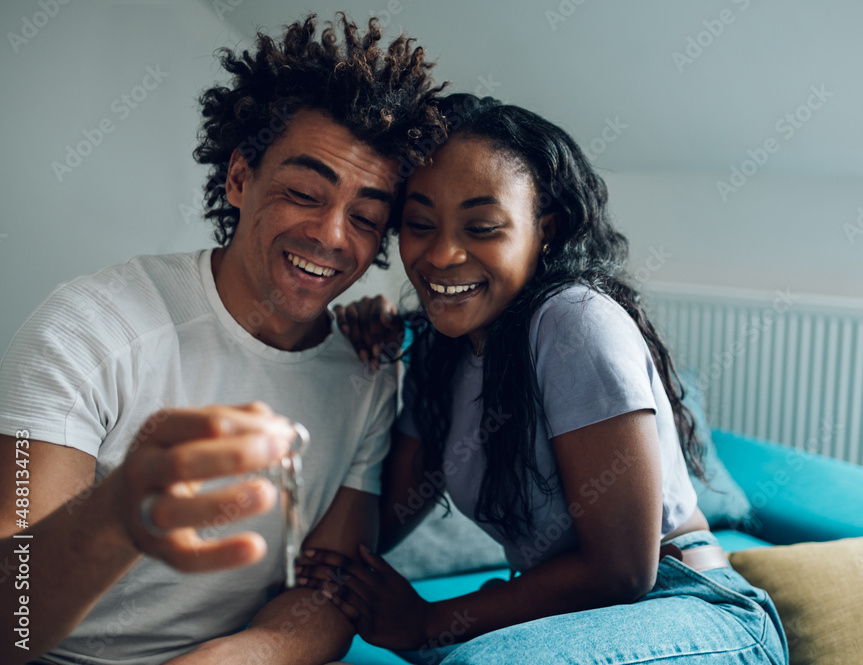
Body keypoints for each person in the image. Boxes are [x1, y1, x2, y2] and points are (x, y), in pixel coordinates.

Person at [0, 14, 446, 665]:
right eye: (303, 192)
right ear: (239, 178)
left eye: (367, 216)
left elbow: (329, 589)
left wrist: (239, 656)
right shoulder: (91, 326)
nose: (331, 235)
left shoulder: (366, 371)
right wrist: (118, 515)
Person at [298, 94, 789, 664]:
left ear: (545, 231)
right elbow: (378, 523)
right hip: (574, 621)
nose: (442, 254)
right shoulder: (441, 353)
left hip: (693, 610)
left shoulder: (574, 321)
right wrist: (372, 364)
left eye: (482, 227)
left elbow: (623, 571)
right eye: (420, 224)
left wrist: (430, 620)